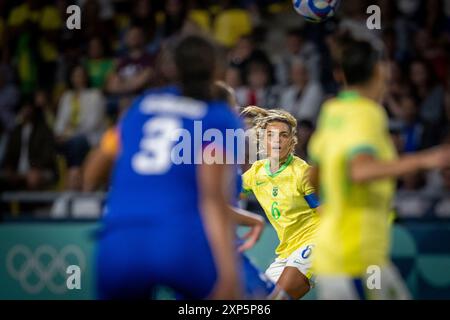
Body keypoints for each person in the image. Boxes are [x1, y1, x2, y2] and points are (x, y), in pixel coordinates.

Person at [96, 36, 242, 300]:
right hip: (180, 239)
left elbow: (98, 163)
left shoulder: (142, 105)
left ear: (170, 69)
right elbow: (212, 198)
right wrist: (230, 273)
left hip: (121, 239)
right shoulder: (220, 118)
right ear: (217, 71)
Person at [308, 35, 450, 300]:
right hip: (356, 260)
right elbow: (360, 171)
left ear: (341, 75)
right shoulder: (367, 112)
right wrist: (426, 159)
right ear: (378, 70)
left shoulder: (332, 110)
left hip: (333, 255)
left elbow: (313, 177)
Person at [241, 106, 320, 299]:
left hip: (315, 241)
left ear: (292, 141)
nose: (277, 140)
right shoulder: (256, 172)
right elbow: (225, 193)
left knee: (277, 298)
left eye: (283, 135)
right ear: (262, 139)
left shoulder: (302, 173)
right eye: (271, 135)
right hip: (286, 252)